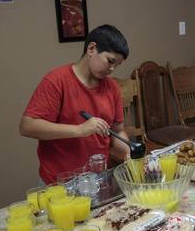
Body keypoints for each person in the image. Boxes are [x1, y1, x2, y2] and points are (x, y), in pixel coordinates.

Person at [20, 24, 131, 185]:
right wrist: (80, 129)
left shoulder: (112, 87)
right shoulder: (56, 81)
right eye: (110, 61)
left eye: (117, 65)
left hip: (97, 180)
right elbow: (27, 126)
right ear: (92, 49)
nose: (112, 69)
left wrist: (128, 153)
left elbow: (117, 131)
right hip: (59, 183)